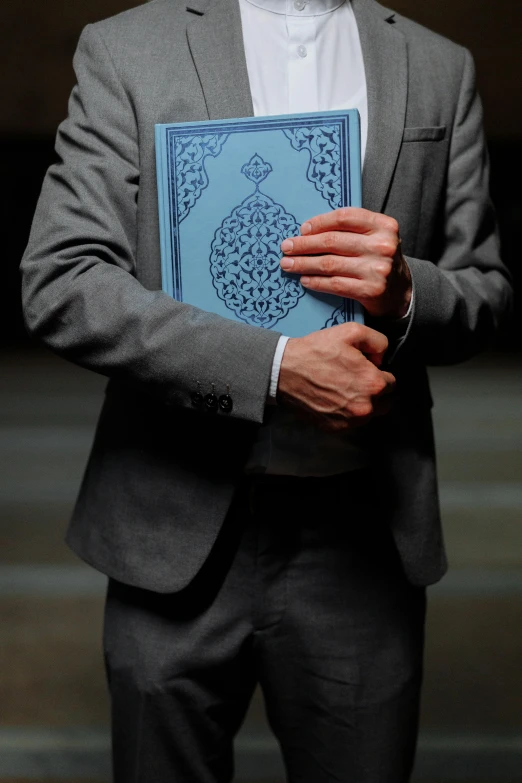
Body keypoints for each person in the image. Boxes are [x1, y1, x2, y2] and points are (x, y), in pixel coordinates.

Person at [20, 0, 512, 780]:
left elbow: (486, 292)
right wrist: (274, 367)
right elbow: (63, 280)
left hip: (364, 531)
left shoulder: (438, 64)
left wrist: (407, 290)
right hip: (171, 523)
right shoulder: (127, 49)